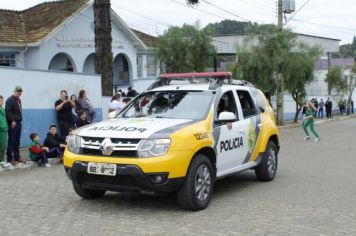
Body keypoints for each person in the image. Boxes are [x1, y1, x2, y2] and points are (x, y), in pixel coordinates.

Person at [6, 86, 24, 165]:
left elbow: (18, 111)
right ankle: (9, 158)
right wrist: (12, 120)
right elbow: (8, 111)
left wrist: (20, 121)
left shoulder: (19, 100)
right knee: (12, 141)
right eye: (18, 91)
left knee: (17, 141)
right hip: (13, 124)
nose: (19, 92)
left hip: (18, 123)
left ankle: (17, 157)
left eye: (20, 91)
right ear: (14, 91)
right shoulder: (10, 100)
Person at [0, 95, 10, 168]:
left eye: (2, 100)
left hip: (4, 130)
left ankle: (2, 161)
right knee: (1, 147)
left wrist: (6, 127)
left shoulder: (2, 109)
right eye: (0, 100)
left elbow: (4, 120)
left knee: (3, 147)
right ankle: (1, 161)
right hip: (1, 130)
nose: (2, 102)